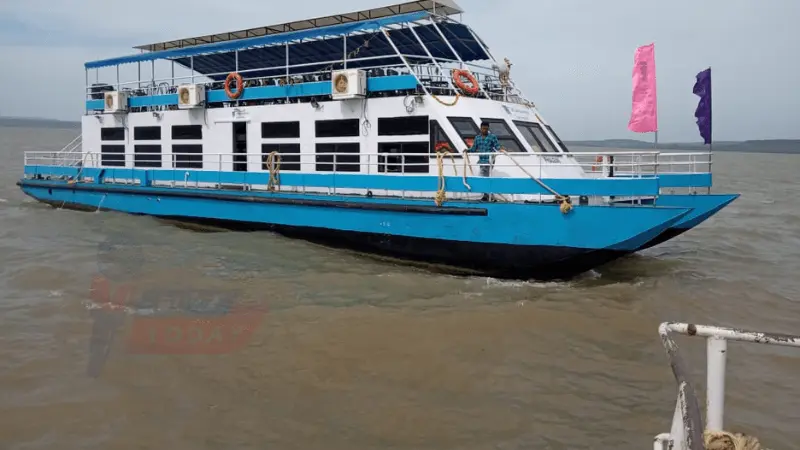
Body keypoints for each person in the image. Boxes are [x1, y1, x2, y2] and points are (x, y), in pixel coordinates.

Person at [464, 121, 500, 201]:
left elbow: (497, 146)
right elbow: (474, 149)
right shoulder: (477, 138)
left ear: (488, 129)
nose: (485, 130)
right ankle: (489, 195)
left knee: (482, 176)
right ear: (481, 128)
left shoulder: (492, 137)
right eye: (483, 128)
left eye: (486, 129)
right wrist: (467, 150)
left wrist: (501, 150)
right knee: (484, 178)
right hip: (481, 161)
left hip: (489, 160)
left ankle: (488, 196)